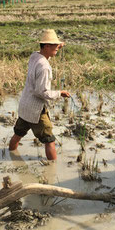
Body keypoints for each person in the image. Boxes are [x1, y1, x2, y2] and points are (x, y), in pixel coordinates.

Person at [9, 29, 70, 160]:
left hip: (25, 106)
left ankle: (11, 155)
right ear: (46, 46)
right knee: (49, 140)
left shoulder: (34, 56)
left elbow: (46, 51)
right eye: (55, 46)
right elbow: (41, 92)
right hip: (36, 111)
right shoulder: (45, 67)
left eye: (57, 45)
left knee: (18, 133)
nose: (57, 49)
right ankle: (52, 171)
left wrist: (57, 46)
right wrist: (60, 93)